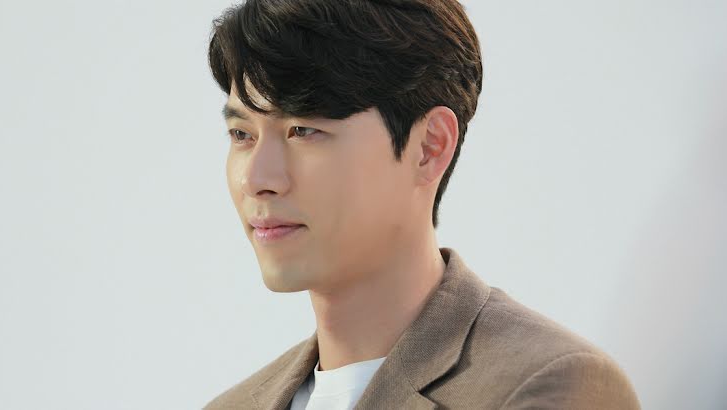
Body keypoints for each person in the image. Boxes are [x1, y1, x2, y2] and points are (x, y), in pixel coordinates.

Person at [202, 0, 641, 408]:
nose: (256, 180)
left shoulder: (549, 383)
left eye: (303, 130)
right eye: (242, 135)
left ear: (430, 147)